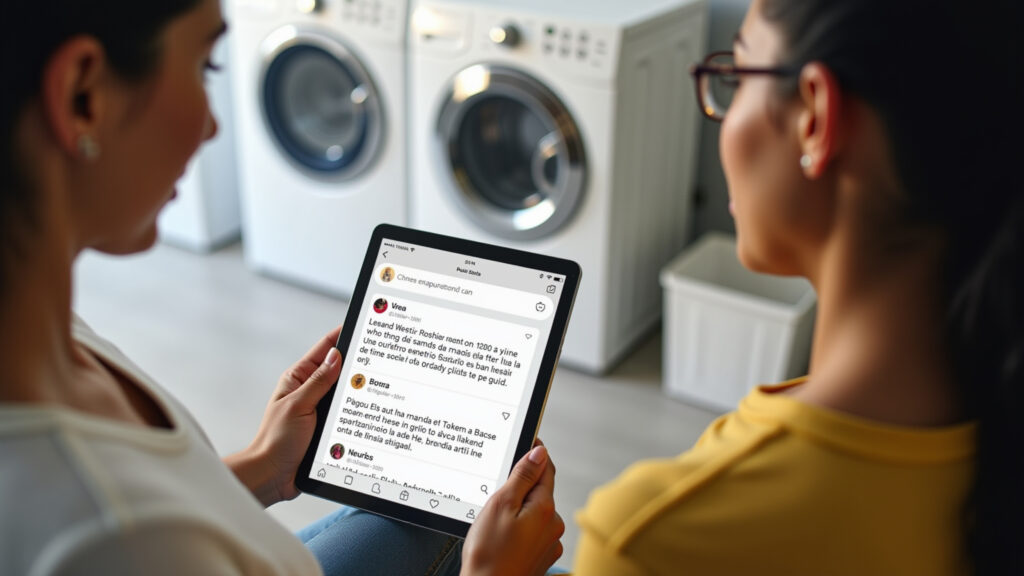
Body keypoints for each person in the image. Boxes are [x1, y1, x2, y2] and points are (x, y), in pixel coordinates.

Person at [0, 1, 563, 575]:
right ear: (82, 96)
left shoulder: (42, 331)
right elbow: (147, 533)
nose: (213, 125)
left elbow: (162, 501)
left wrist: (261, 466)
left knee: (423, 513)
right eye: (205, 67)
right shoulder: (111, 537)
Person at [573, 0, 1022, 574]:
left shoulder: (649, 540)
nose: (723, 116)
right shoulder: (991, 436)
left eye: (736, 77)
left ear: (815, 115)